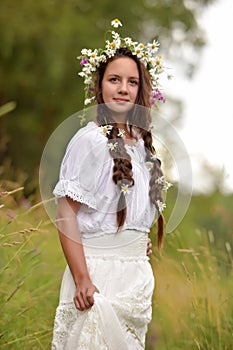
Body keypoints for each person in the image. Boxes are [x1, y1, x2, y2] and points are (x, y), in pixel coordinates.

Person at [51, 19, 171, 350]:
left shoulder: (142, 145)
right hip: (98, 274)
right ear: (99, 85)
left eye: (132, 82)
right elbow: (65, 210)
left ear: (141, 89)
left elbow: (127, 214)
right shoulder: (90, 140)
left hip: (134, 278)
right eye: (114, 79)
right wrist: (82, 278)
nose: (122, 88)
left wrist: (134, 240)